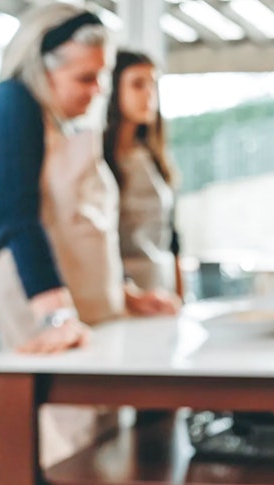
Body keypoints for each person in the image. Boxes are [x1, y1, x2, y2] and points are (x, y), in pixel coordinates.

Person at [0, 4, 170, 485]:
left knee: (103, 472)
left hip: (85, 322)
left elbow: (77, 228)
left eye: (101, 76)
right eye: (85, 77)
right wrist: (55, 313)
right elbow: (12, 219)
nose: (97, 90)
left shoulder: (64, 122)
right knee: (78, 481)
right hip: (47, 320)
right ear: (44, 65)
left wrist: (123, 296)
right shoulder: (11, 106)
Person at [105, 50, 184, 301]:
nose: (149, 94)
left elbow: (173, 236)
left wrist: (180, 295)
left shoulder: (154, 158)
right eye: (138, 84)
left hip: (163, 285)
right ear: (112, 88)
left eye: (152, 85)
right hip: (120, 290)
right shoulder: (100, 160)